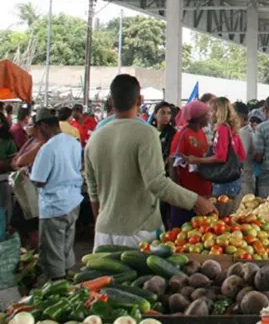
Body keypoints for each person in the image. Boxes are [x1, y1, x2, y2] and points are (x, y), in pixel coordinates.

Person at [85, 75, 215, 247]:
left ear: (111, 101)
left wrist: (102, 223)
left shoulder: (96, 137)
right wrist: (196, 201)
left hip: (104, 232)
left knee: (104, 275)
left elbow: (93, 191)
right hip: (137, 232)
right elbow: (156, 183)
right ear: (139, 99)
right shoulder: (146, 133)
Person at [29, 108, 83, 280]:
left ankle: (58, 286)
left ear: (43, 126)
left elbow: (39, 180)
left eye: (37, 129)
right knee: (66, 246)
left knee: (52, 252)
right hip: (73, 202)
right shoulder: (73, 142)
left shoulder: (48, 148)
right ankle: (67, 280)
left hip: (54, 206)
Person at [186, 97, 246, 196]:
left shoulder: (222, 128)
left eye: (211, 110)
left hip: (223, 181)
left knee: (221, 210)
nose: (209, 114)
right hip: (234, 179)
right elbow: (242, 155)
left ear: (218, 112)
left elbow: (220, 157)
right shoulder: (233, 129)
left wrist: (197, 160)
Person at [169, 101, 212, 228]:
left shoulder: (202, 133)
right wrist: (176, 193)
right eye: (206, 114)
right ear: (199, 117)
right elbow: (173, 162)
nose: (209, 116)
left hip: (203, 189)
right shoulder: (183, 134)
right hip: (187, 193)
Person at [233, 102, 255, 198]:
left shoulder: (244, 134)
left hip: (244, 181)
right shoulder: (246, 131)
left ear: (240, 117)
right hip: (245, 179)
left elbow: (240, 159)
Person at [150, 102, 176, 169]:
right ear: (155, 115)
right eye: (163, 112)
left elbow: (169, 155)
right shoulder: (150, 131)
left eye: (169, 113)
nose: (166, 116)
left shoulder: (172, 133)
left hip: (163, 169)